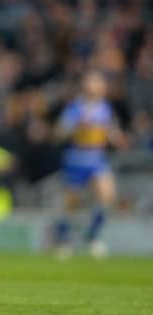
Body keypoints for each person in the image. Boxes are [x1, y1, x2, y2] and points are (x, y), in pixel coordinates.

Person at [53, 69, 127, 259]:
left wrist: (117, 138)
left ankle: (92, 237)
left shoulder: (105, 108)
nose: (95, 86)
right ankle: (62, 238)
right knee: (72, 203)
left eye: (98, 82)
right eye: (91, 82)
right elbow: (59, 133)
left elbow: (109, 129)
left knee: (107, 195)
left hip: (96, 159)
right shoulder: (75, 108)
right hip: (77, 159)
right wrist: (75, 127)